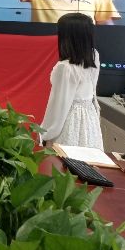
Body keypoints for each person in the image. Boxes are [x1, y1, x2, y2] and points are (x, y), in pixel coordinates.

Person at [41, 13, 103, 149]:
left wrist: (45, 134)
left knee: (64, 160)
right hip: (89, 120)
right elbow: (93, 91)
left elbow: (59, 105)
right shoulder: (94, 56)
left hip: (69, 122)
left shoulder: (65, 68)